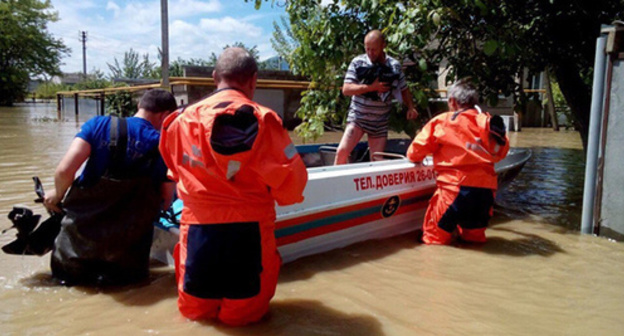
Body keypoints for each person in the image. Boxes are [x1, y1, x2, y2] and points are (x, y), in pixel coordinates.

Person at [159, 47, 308, 326]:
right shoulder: (265, 120)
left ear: (215, 77)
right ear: (253, 80)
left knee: (196, 316)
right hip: (250, 233)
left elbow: (175, 173)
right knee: (245, 320)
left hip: (198, 231)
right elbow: (292, 187)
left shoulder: (179, 122)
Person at [43, 89, 177, 285]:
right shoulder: (164, 144)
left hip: (78, 246)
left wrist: (56, 195)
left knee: (66, 285)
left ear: (139, 106)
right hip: (127, 256)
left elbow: (64, 171)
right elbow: (165, 199)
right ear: (166, 116)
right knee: (128, 287)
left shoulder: (98, 124)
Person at [406, 79, 509, 245]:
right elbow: (502, 152)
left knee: (434, 241)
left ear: (452, 101)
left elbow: (414, 152)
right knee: (474, 241)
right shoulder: (489, 124)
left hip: (454, 191)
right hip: (485, 194)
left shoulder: (444, 122)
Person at [335, 29, 419, 165]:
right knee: (342, 151)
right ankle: (336, 184)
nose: (370, 53)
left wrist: (410, 107)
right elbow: (346, 89)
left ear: (383, 46)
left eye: (374, 49)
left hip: (380, 121)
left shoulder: (394, 66)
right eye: (367, 49)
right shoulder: (358, 62)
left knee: (377, 160)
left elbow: (404, 88)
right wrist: (371, 87)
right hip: (358, 118)